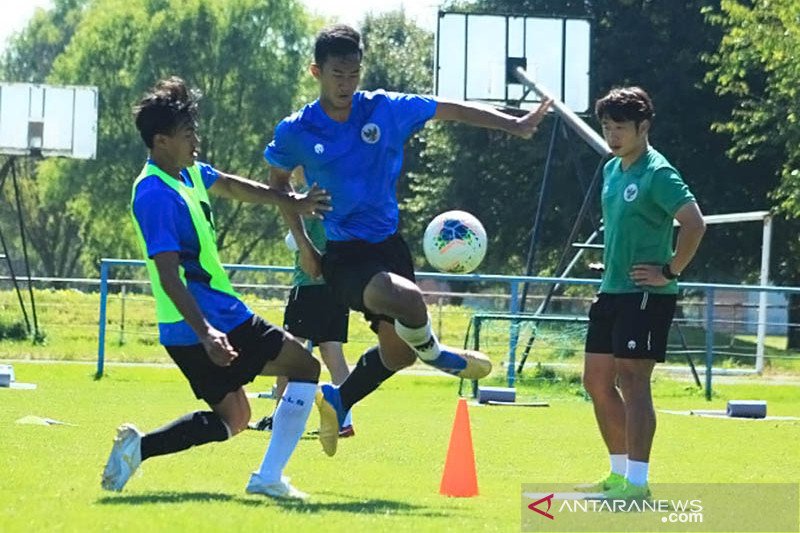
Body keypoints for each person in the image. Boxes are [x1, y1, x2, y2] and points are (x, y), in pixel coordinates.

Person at [264, 24, 552, 456]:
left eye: (354, 73)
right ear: (316, 72)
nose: (346, 83)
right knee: (412, 302)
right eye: (337, 74)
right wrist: (305, 245)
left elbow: (450, 109)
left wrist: (512, 123)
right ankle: (439, 356)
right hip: (342, 254)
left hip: (388, 247)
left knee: (398, 355)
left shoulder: (384, 109)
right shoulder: (297, 130)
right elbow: (277, 185)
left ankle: (339, 399)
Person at [101, 76, 334, 500]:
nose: (196, 142)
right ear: (161, 141)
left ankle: (139, 448)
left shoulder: (186, 173)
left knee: (235, 418)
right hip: (210, 320)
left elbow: (230, 184)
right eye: (188, 134)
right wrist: (207, 332)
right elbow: (169, 275)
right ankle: (268, 478)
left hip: (198, 324)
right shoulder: (154, 193)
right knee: (305, 368)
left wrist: (292, 202)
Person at [577, 86, 706, 500]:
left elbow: (694, 223)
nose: (612, 135)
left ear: (643, 127)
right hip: (611, 291)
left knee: (633, 381)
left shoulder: (658, 173)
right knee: (596, 381)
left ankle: (637, 483)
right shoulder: (613, 170)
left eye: (620, 128)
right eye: (607, 127)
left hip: (647, 295)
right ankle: (617, 474)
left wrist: (670, 269)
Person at [251, 192, 355, 437]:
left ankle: (279, 419)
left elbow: (293, 242)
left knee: (288, 352)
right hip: (337, 288)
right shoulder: (341, 200)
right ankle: (344, 420)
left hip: (308, 287)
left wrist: (292, 210)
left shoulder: (310, 201)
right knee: (334, 356)